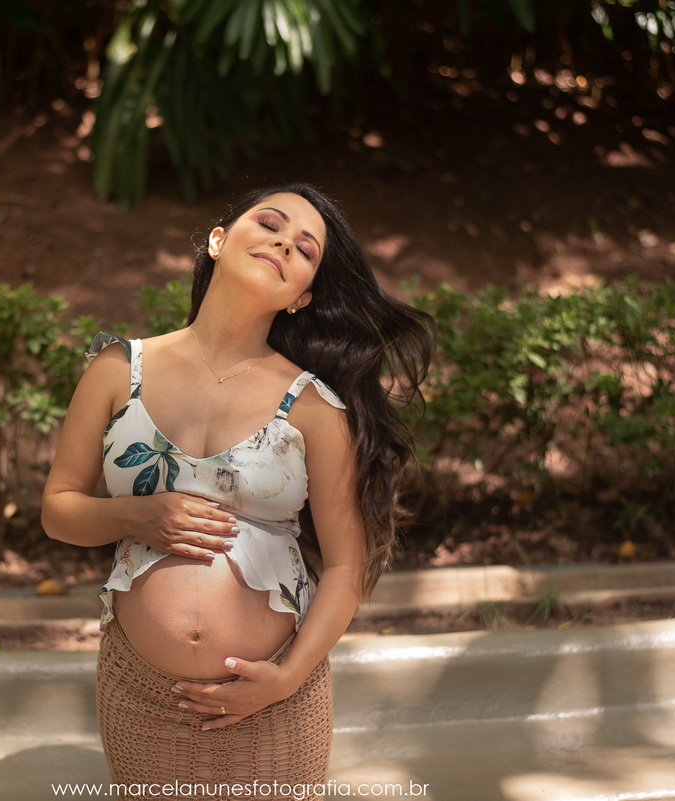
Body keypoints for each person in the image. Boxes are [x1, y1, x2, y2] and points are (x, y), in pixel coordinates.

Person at [41, 184, 433, 800]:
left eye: (306, 248)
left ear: (302, 296)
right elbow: (58, 509)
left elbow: (347, 566)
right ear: (218, 242)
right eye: (270, 223)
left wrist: (286, 678)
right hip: (142, 695)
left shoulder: (313, 406)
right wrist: (137, 515)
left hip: (273, 700)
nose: (285, 243)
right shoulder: (118, 370)